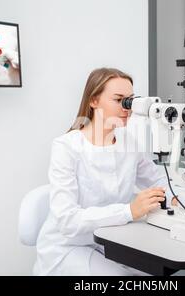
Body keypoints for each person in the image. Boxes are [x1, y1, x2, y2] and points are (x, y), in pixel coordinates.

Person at [34, 68, 170, 276]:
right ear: (94, 101)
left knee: (156, 272)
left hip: (112, 239)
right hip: (69, 246)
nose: (128, 108)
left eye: (130, 101)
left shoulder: (128, 142)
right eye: (119, 100)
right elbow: (67, 221)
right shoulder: (67, 146)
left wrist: (173, 196)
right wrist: (129, 211)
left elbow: (157, 179)